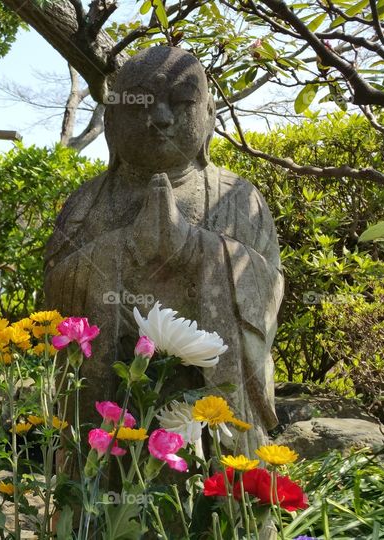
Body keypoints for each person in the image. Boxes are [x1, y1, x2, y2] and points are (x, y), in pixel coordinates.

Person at [45, 46, 283, 454]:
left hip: (209, 402)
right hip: (112, 403)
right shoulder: (87, 203)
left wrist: (198, 249)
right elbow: (52, 298)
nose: (160, 118)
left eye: (182, 102)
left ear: (209, 114)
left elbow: (269, 289)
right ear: (113, 122)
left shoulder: (239, 199)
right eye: (140, 104)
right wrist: (120, 248)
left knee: (215, 505)